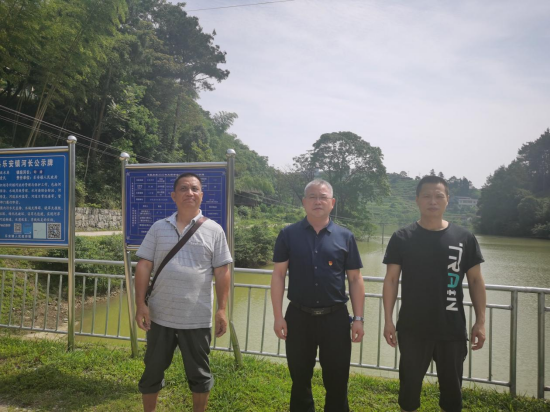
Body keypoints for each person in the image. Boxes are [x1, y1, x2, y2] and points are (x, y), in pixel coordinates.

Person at [382, 175, 487, 412]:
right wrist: (388, 320)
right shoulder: (402, 237)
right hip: (413, 328)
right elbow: (391, 280)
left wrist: (480, 321)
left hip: (451, 328)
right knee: (409, 392)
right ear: (417, 200)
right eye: (427, 196)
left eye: (439, 196)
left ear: (448, 199)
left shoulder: (464, 238)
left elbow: (475, 280)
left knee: (452, 394)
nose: (433, 201)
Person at [134, 173, 233, 413]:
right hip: (160, 316)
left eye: (194, 189)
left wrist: (222, 310)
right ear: (174, 196)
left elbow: (222, 271)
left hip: (196, 318)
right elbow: (144, 266)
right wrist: (140, 305)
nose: (190, 193)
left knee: (199, 374)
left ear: (202, 195)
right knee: (152, 370)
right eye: (184, 188)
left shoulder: (214, 230)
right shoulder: (158, 228)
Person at [271, 179, 366, 413]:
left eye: (323, 197)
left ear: (332, 203)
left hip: (335, 318)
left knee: (337, 380)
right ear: (304, 202)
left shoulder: (345, 236)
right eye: (312, 197)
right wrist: (278, 316)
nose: (317, 201)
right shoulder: (288, 234)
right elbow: (279, 275)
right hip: (298, 317)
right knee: (300, 379)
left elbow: (355, 279)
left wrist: (358, 318)